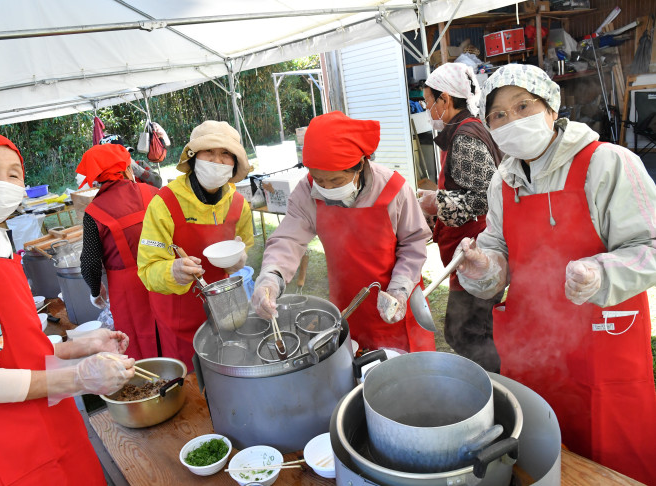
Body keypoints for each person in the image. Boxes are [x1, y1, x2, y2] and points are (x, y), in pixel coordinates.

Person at [455, 64, 656, 484]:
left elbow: (650, 248)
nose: (512, 121)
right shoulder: (502, 182)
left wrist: (601, 273)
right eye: (498, 115)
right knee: (540, 452)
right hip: (534, 345)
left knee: (610, 462)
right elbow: (498, 252)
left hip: (602, 343)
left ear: (550, 108)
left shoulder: (607, 164)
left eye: (523, 106)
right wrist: (483, 266)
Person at [0, 130, 135, 484]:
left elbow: (8, 346)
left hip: (37, 418)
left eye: (13, 174)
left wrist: (76, 347)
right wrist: (78, 378)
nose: (3, 182)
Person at [252, 111, 435, 353]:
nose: (326, 188)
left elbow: (413, 243)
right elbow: (288, 239)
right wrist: (270, 277)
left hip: (398, 301)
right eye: (319, 179)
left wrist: (399, 289)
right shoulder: (307, 191)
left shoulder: (393, 189)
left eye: (336, 181)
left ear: (359, 166)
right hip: (348, 303)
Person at [137, 120, 253, 369]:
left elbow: (244, 246)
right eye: (208, 152)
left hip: (226, 311)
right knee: (191, 386)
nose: (216, 160)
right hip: (179, 316)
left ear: (235, 163)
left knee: (230, 371)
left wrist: (240, 261)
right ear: (192, 157)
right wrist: (174, 271)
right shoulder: (164, 202)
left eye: (225, 154)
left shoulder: (239, 204)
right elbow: (147, 269)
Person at [416, 63, 504, 372]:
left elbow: (487, 196)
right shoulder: (463, 129)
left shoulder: (465, 137)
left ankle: (496, 385)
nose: (427, 108)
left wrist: (435, 200)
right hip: (466, 248)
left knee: (464, 331)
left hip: (476, 249)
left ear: (446, 100)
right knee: (473, 330)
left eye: (429, 101)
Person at [77, 143, 171, 359]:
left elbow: (90, 263)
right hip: (165, 275)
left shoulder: (94, 212)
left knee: (137, 342)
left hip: (126, 289)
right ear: (127, 168)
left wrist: (95, 291)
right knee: (170, 329)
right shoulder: (154, 193)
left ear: (98, 177)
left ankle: (148, 384)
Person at [99, 134, 163, 188]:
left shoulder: (140, 164)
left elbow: (158, 183)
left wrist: (136, 168)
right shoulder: (106, 177)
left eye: (126, 153)